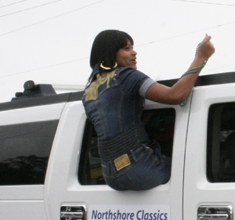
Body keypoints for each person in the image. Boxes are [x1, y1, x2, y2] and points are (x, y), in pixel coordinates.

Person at [83, 30, 215, 191]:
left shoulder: (89, 89)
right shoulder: (126, 76)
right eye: (127, 48)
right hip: (139, 167)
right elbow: (175, 95)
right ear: (110, 52)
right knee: (200, 170)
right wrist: (201, 57)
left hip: (110, 175)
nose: (134, 52)